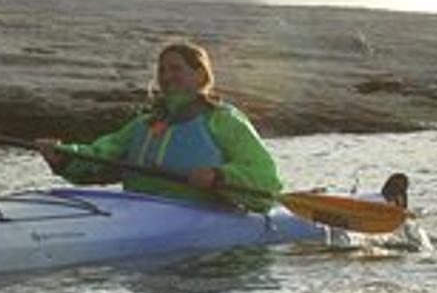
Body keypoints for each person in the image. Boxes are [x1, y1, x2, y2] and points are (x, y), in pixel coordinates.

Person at [36, 40, 282, 210]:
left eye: (176, 69)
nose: (166, 76)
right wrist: (64, 155)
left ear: (200, 75)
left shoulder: (223, 119)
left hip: (203, 212)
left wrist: (219, 176)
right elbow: (103, 154)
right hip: (140, 209)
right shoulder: (146, 122)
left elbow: (266, 178)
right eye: (162, 70)